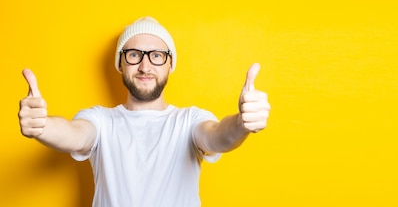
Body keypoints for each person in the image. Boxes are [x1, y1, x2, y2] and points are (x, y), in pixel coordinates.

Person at [18, 16, 270, 207]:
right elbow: (74, 134)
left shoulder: (189, 120)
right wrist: (42, 126)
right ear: (120, 63)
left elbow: (217, 136)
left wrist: (241, 124)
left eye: (157, 55)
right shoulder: (101, 121)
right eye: (134, 55)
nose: (145, 65)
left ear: (170, 64)